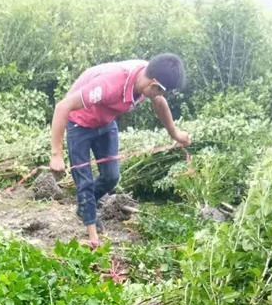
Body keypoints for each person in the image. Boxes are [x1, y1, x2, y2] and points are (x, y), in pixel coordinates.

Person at [49, 53, 191, 247]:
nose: (161, 96)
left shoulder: (146, 80)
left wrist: (175, 134)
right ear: (154, 84)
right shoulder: (109, 85)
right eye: (161, 92)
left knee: (111, 177)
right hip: (79, 123)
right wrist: (56, 154)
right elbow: (63, 107)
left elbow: (159, 103)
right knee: (85, 183)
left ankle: (85, 207)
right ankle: (93, 238)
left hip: (106, 122)